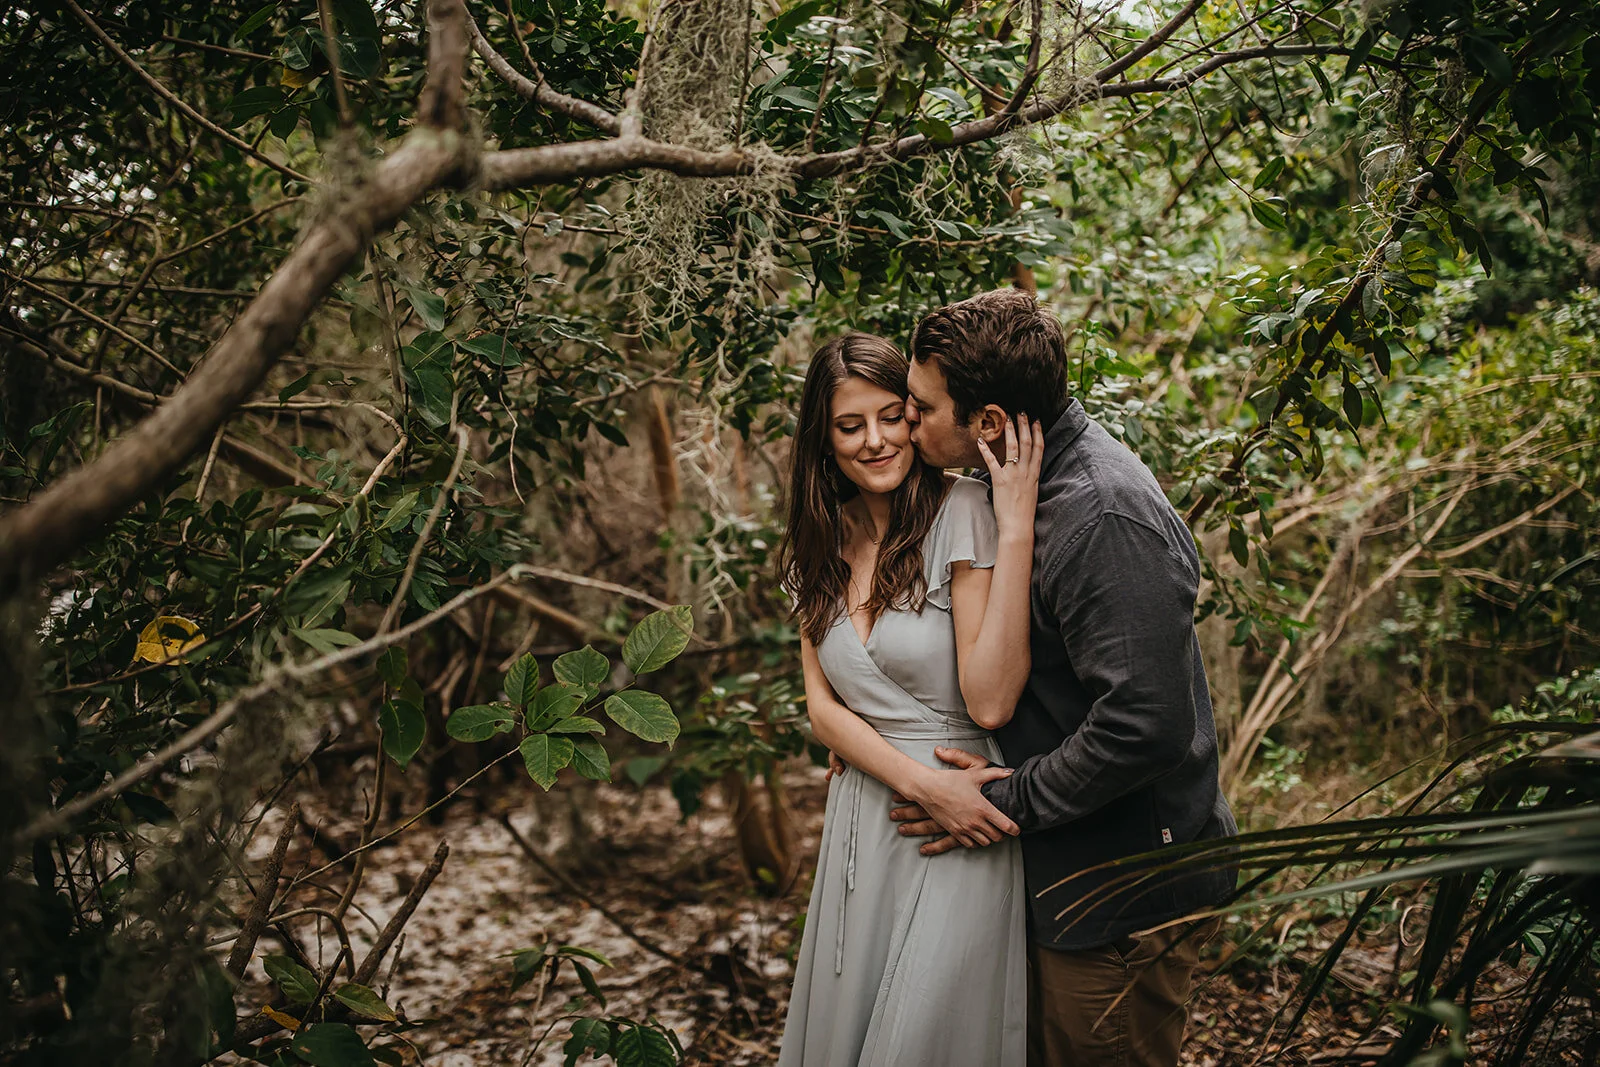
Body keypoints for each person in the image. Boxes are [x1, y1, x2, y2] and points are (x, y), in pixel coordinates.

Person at [887, 287, 1239, 1067]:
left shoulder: (1100, 516)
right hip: (1068, 878)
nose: (906, 422)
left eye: (920, 406)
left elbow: (1144, 725)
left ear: (986, 422)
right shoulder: (1007, 486)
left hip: (1122, 896)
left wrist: (1000, 798)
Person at [774, 332, 1043, 1067]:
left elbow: (990, 702)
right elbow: (823, 710)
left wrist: (1013, 525)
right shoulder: (815, 543)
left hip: (960, 818)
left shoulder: (962, 509)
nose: (876, 440)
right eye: (850, 425)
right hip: (873, 814)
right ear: (823, 440)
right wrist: (919, 783)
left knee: (927, 1040)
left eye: (892, 415)